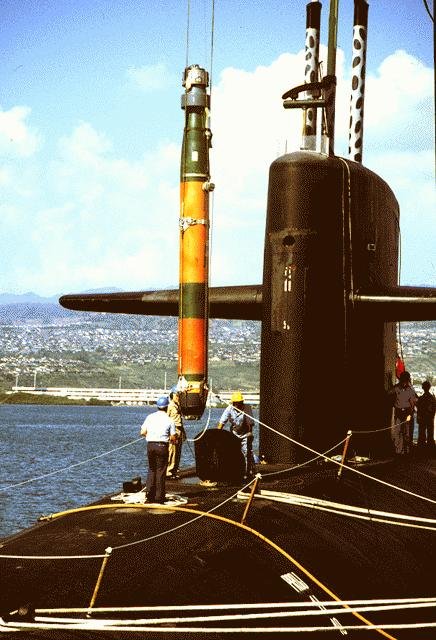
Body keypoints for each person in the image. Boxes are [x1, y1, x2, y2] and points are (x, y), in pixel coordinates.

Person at [140, 396, 176, 504]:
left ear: (157, 406)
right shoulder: (170, 420)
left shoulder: (150, 417)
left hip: (150, 445)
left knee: (152, 469)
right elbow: (173, 437)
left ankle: (149, 495)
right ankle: (159, 497)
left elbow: (142, 432)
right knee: (161, 471)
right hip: (162, 446)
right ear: (167, 407)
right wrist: (174, 439)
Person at [217, 391, 255, 478]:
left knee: (246, 452)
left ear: (242, 402)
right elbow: (221, 423)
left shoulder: (247, 408)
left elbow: (250, 423)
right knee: (233, 452)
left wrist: (250, 434)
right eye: (236, 403)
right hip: (234, 433)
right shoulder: (229, 409)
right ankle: (235, 471)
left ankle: (247, 472)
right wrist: (217, 435)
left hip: (245, 433)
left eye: (240, 403)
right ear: (233, 403)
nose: (238, 405)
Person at [388, 371, 417, 455]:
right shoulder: (397, 388)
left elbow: (412, 403)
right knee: (398, 432)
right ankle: (399, 451)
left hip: (407, 413)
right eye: (403, 380)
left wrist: (410, 414)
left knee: (406, 433)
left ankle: (406, 450)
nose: (404, 382)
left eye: (406, 380)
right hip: (399, 412)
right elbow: (388, 393)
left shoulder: (410, 390)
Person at [167, 386, 186, 478]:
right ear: (172, 395)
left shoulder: (178, 406)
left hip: (179, 430)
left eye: (179, 395)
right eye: (176, 395)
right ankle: (169, 471)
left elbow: (180, 421)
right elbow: (166, 419)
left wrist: (184, 433)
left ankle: (174, 470)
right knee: (172, 451)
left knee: (178, 452)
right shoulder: (170, 406)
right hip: (173, 431)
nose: (178, 397)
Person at [416, 381, 436, 448]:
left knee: (422, 434)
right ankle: (430, 447)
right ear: (429, 387)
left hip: (422, 417)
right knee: (430, 433)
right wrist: (432, 416)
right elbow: (434, 409)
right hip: (430, 418)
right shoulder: (432, 398)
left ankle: (421, 447)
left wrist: (418, 417)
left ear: (422, 388)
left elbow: (418, 409)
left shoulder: (421, 398)